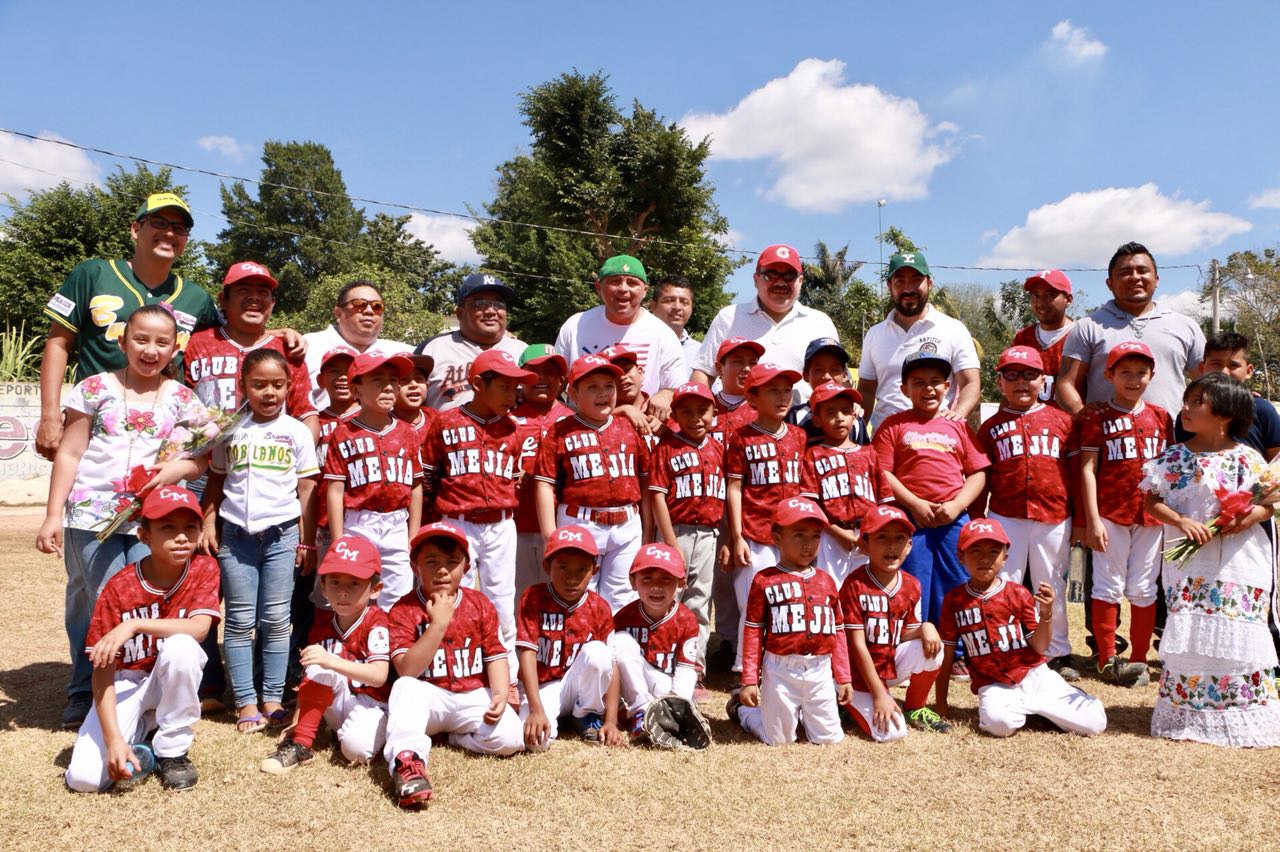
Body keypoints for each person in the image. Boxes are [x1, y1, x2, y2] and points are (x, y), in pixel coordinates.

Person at [36, 304, 211, 729]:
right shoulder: (94, 388)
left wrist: (177, 471)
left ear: (175, 348)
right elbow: (72, 452)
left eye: (162, 342)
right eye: (141, 339)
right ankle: (83, 690)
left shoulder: (184, 399)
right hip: (90, 515)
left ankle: (141, 688)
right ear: (122, 341)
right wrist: (52, 515)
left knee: (143, 606)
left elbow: (202, 460)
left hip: (153, 522)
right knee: (93, 601)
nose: (150, 350)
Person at [1140, 373, 1280, 747]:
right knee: (1194, 632)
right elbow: (1150, 501)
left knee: (1236, 628)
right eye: (1187, 400)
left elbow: (1271, 503)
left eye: (1197, 401)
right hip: (1189, 566)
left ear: (1224, 413)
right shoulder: (1173, 457)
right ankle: (1188, 713)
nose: (1185, 408)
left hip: (1241, 561)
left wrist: (1252, 516)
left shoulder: (1249, 459)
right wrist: (1181, 520)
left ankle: (1239, 713)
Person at [37, 193, 220, 461]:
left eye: (179, 228)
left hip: (163, 439)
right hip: (93, 431)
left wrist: (277, 333)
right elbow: (58, 342)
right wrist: (50, 415)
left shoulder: (197, 298)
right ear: (136, 229)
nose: (169, 233)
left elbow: (226, 339)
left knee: (163, 503)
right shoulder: (93, 274)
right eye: (159, 223)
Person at [64, 486, 220, 793]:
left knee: (182, 647)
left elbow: (199, 629)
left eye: (190, 527)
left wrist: (134, 624)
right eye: (167, 528)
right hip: (126, 682)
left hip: (168, 680)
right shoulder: (119, 587)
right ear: (143, 535)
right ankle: (143, 730)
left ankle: (173, 750)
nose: (181, 537)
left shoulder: (204, 567)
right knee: (84, 780)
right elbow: (102, 670)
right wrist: (113, 740)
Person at [201, 348, 320, 732]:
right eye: (259, 384)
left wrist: (306, 541)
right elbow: (216, 480)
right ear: (243, 386)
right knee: (238, 620)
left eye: (278, 385)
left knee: (276, 620)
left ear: (289, 386)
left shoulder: (297, 431)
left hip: (281, 535)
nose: (269, 392)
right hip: (236, 535)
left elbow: (306, 489)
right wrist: (208, 523)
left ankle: (272, 697)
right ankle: (246, 702)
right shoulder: (230, 430)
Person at [384, 523, 525, 808]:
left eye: (452, 562)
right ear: (415, 566)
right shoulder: (403, 608)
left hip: (471, 694)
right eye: (431, 562)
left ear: (466, 566)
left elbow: (495, 654)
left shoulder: (480, 603)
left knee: (511, 738)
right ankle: (409, 762)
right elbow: (407, 669)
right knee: (404, 688)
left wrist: (499, 694)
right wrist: (437, 625)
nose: (442, 570)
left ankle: (456, 738)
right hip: (429, 696)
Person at [935, 518, 1107, 738]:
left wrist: (1046, 615)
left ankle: (1043, 705)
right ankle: (1035, 710)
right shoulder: (954, 600)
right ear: (961, 556)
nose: (985, 558)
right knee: (998, 726)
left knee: (1095, 723)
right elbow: (947, 653)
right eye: (975, 551)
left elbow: (1040, 647)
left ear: (1005, 558)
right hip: (993, 682)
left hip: (1034, 675)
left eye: (994, 551)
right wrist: (941, 703)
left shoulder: (1017, 593)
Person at [421, 349, 535, 664]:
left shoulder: (512, 428)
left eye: (516, 387)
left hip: (500, 523)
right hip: (457, 520)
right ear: (477, 384)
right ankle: (450, 661)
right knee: (451, 593)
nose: (512, 394)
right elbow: (429, 477)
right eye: (504, 386)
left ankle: (506, 670)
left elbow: (513, 478)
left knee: (501, 598)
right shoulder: (445, 422)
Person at [872, 350, 989, 647]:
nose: (928, 389)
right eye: (919, 382)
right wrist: (914, 504)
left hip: (953, 518)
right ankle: (913, 646)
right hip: (910, 520)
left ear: (948, 387)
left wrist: (957, 506)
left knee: (958, 579)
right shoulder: (894, 425)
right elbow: (882, 471)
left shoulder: (957, 426)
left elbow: (978, 473)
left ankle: (957, 649)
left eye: (936, 382)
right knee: (914, 580)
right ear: (904, 390)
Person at [975, 346, 1077, 679]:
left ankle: (1057, 649)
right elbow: (982, 477)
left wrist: (1083, 520)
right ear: (1000, 382)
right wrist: (978, 520)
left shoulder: (1063, 421)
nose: (1022, 382)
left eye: (1030, 375)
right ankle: (1005, 645)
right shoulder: (990, 427)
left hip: (1054, 515)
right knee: (1004, 583)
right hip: (1006, 514)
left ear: (1043, 380)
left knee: (1052, 582)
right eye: (1012, 375)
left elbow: (1076, 472)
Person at [1074, 341, 1172, 686]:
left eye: (1141, 372)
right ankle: (1105, 657)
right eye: (1125, 372)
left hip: (1151, 514)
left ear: (1151, 375)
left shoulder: (1161, 416)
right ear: (1110, 374)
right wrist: (1093, 518)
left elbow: (1171, 469)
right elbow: (1087, 468)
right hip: (1111, 514)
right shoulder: (1097, 416)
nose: (1133, 379)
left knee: (1144, 588)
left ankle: (1139, 659)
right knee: (1107, 585)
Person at [726, 497, 852, 746]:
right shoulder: (765, 580)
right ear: (776, 538)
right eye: (799, 535)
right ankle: (744, 712)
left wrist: (844, 676)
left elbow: (837, 632)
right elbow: (752, 633)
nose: (808, 544)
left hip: (820, 669)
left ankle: (803, 714)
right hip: (780, 670)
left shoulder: (826, 581)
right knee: (780, 740)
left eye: (815, 536)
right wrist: (750, 680)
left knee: (830, 739)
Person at [261, 534, 390, 774]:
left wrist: (331, 660)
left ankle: (365, 735)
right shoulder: (322, 622)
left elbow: (379, 675)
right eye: (335, 582)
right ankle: (301, 743)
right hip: (340, 697)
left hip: (372, 703)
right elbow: (312, 674)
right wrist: (299, 721)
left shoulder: (377, 622)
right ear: (323, 586)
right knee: (317, 660)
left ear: (376, 589)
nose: (343, 592)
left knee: (355, 751)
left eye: (354, 583)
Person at [533, 355, 651, 611]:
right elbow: (544, 484)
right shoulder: (560, 430)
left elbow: (644, 482)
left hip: (627, 523)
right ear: (573, 393)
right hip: (580, 521)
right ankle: (579, 648)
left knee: (622, 596)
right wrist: (549, 536)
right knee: (578, 594)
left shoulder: (629, 426)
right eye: (592, 387)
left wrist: (648, 529)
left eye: (608, 386)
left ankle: (615, 649)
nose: (603, 394)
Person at [1057, 242, 1205, 417]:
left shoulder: (1185, 326)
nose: (1135, 277)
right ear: (1109, 283)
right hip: (1108, 440)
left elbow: (1207, 384)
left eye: (1142, 271)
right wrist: (1081, 414)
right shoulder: (1088, 327)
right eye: (1125, 273)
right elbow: (1066, 384)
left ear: (1156, 279)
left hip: (1171, 438)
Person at [724, 363, 807, 673]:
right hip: (755, 533)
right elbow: (734, 488)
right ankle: (744, 671)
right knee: (753, 604)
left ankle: (783, 664)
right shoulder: (743, 437)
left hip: (792, 534)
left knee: (790, 601)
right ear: (753, 398)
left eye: (787, 389)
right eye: (773, 390)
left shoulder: (798, 436)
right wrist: (737, 537)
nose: (782, 396)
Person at [323, 353, 423, 610]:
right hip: (358, 522)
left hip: (397, 522)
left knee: (399, 596)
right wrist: (338, 540)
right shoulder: (343, 432)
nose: (389, 386)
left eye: (393, 380)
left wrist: (413, 535)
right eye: (378, 380)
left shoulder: (408, 432)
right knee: (356, 593)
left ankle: (395, 648)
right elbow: (335, 490)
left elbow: (415, 486)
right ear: (356, 388)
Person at [840, 505, 949, 741]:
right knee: (891, 732)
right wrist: (880, 695)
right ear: (865, 544)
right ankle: (846, 704)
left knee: (931, 647)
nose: (891, 545)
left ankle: (915, 707)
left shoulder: (911, 584)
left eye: (899, 538)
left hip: (887, 663)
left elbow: (904, 633)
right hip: (855, 673)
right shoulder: (854, 584)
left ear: (909, 546)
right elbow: (856, 645)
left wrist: (925, 628)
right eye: (882, 538)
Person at [516, 525, 622, 749]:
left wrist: (611, 721)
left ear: (594, 570)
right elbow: (527, 654)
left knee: (599, 653)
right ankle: (555, 715)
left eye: (581, 569)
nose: (571, 578)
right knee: (535, 744)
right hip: (544, 687)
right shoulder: (533, 597)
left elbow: (611, 666)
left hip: (579, 687)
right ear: (547, 566)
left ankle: (585, 714)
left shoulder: (599, 607)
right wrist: (536, 710)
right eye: (563, 567)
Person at [183, 261, 318, 436]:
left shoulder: (288, 350)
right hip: (205, 460)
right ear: (223, 299)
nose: (254, 297)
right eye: (243, 290)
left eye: (263, 292)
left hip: (272, 459)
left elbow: (306, 415)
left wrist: (301, 459)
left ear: (272, 303)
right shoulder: (196, 343)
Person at [691, 244, 839, 403]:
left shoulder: (820, 322)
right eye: (771, 275)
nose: (781, 283)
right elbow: (704, 373)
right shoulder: (729, 317)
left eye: (789, 276)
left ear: (800, 281)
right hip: (739, 424)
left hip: (803, 424)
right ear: (756, 279)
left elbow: (838, 379)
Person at [648, 382, 724, 677]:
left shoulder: (718, 448)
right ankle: (660, 664)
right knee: (667, 599)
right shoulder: (667, 447)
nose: (695, 418)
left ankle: (693, 668)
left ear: (714, 412)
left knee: (699, 602)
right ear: (675, 415)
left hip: (708, 533)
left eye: (702, 410)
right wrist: (669, 542)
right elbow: (657, 495)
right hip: (675, 531)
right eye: (686, 411)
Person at [857, 251, 981, 430]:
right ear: (890, 286)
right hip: (884, 442)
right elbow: (866, 390)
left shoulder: (954, 329)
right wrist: (857, 435)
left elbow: (971, 383)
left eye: (916, 280)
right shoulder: (874, 334)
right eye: (900, 281)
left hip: (937, 441)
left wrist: (956, 418)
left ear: (929, 283)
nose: (908, 289)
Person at [555, 255, 688, 414]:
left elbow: (678, 389)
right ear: (598, 287)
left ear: (645, 290)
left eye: (632, 283)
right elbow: (555, 385)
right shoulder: (575, 326)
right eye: (615, 281)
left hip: (642, 430)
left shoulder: (663, 334)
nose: (623, 289)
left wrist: (667, 394)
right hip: (583, 430)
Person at [800, 381, 885, 589]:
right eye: (830, 412)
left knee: (866, 590)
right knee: (831, 590)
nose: (839, 418)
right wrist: (838, 532)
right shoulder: (813, 455)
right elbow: (812, 505)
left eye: (845, 411)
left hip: (868, 536)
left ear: (854, 415)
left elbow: (884, 501)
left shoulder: (868, 453)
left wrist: (869, 535)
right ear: (817, 420)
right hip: (831, 535)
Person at [612, 543, 700, 738]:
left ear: (680, 583)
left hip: (665, 685)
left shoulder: (686, 619)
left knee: (687, 683)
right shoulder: (624, 617)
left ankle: (669, 714)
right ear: (633, 581)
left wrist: (678, 702)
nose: (656, 587)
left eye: (666, 579)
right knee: (620, 641)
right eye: (647, 578)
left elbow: (685, 669)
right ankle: (641, 713)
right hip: (632, 689)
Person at [511, 344, 573, 600]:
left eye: (551, 371)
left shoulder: (572, 419)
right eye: (535, 371)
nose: (543, 378)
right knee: (519, 597)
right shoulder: (507, 418)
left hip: (561, 524)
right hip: (517, 526)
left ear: (562, 380)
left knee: (559, 596)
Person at [416, 273, 525, 411]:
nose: (491, 311)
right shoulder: (432, 349)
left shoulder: (523, 351)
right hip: (448, 430)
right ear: (460, 313)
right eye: (480, 303)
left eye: (498, 303)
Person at [303, 279, 413, 410]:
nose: (369, 311)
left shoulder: (404, 353)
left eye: (377, 306)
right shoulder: (306, 346)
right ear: (338, 313)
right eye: (359, 304)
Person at [1174, 332, 1280, 460]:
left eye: (1233, 365)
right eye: (1216, 364)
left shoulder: (1262, 410)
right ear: (1202, 368)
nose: (1224, 372)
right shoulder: (1190, 414)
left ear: (1249, 371)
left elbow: (1276, 463)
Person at [1010, 269, 1076, 408]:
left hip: (1072, 426)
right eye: (1036, 295)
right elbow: (1010, 390)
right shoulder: (1023, 337)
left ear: (1068, 300)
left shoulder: (1081, 335)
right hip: (1030, 426)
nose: (1041, 303)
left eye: (1050, 295)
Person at [789, 338, 869, 445]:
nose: (827, 376)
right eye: (819, 370)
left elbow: (865, 456)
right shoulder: (794, 417)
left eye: (834, 370)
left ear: (845, 375)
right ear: (806, 375)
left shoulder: (855, 418)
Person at [650, 274, 701, 369]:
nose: (677, 307)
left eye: (684, 302)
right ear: (653, 306)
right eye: (669, 300)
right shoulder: (639, 344)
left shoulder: (700, 353)